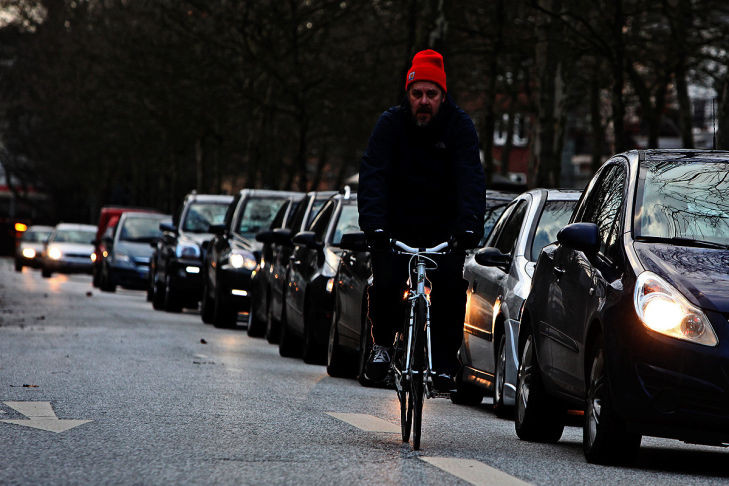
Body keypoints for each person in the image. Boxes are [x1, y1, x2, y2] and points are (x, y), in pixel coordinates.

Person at [358, 49, 486, 391]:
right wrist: (375, 226)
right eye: (417, 94)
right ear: (408, 95)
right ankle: (383, 345)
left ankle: (444, 364)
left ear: (443, 96)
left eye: (431, 94)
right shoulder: (390, 125)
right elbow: (373, 177)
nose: (424, 101)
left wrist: (469, 225)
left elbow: (470, 178)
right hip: (395, 226)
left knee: (450, 289)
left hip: (444, 229)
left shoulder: (459, 127)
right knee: (385, 282)